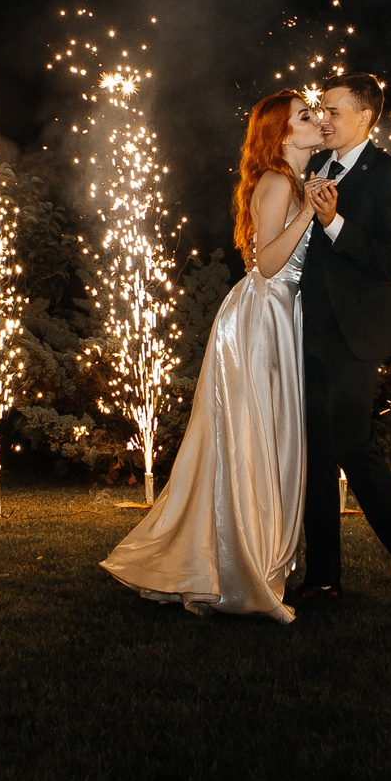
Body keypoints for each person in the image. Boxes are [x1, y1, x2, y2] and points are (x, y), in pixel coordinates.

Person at [100, 90, 322, 620]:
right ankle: (232, 564)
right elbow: (266, 263)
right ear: (283, 133)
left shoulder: (296, 182)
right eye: (306, 117)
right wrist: (308, 213)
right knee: (250, 439)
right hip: (259, 321)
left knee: (272, 439)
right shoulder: (275, 183)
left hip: (281, 318)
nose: (319, 122)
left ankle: (253, 557)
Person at [292, 71, 391, 617]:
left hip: (354, 337)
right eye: (321, 111)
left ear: (365, 116)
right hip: (306, 330)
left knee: (355, 451)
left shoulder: (389, 177)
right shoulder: (313, 167)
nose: (323, 120)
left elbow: (388, 263)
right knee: (312, 456)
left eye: (333, 111)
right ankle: (323, 579)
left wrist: (334, 221)